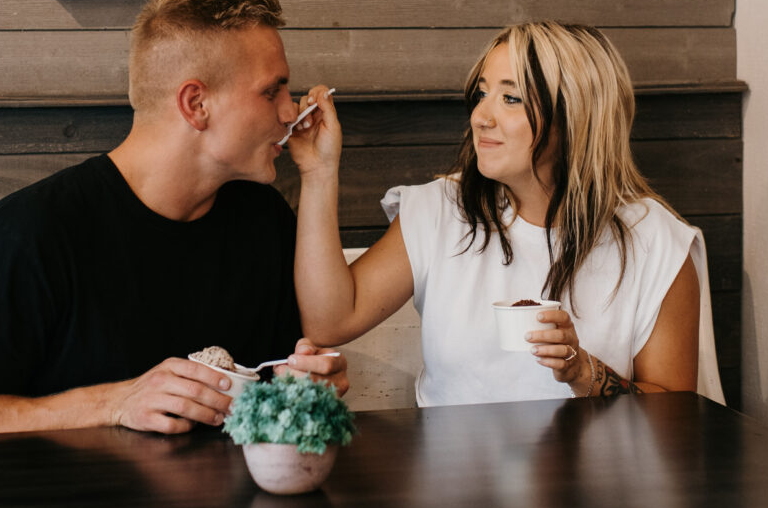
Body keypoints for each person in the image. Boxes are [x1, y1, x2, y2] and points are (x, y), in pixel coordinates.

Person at [0, 0, 348, 437]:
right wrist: (115, 402)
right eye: (271, 91)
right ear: (196, 104)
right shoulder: (28, 233)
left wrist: (303, 388)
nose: (288, 112)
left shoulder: (263, 218)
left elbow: (268, 387)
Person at [291, 22, 702, 407]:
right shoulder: (441, 210)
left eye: (510, 98)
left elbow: (674, 418)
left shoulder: (655, 243)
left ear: (575, 118)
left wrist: (583, 373)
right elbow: (330, 322)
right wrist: (318, 171)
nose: (480, 117)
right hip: (452, 476)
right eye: (482, 94)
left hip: (595, 481)